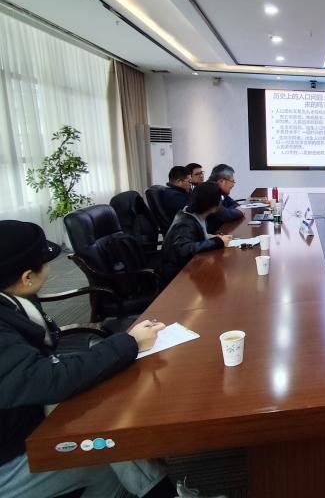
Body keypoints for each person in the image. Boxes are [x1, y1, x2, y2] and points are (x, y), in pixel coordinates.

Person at [0, 220, 222, 498]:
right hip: (11, 459)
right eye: (45, 262)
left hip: (24, 419)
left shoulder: (14, 301)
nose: (50, 267)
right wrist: (129, 342)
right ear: (27, 278)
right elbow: (48, 379)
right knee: (106, 444)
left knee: (112, 431)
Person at [161, 182, 232, 286]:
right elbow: (184, 249)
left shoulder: (193, 214)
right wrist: (217, 241)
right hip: (178, 277)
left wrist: (212, 236)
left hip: (189, 268)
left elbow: (194, 236)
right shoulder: (186, 223)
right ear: (213, 204)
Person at [205, 164, 244, 234]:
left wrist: (228, 210)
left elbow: (234, 204)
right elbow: (226, 215)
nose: (233, 185)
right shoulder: (208, 191)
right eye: (232, 181)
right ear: (222, 181)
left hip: (219, 230)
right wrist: (239, 212)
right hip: (209, 235)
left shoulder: (218, 190)